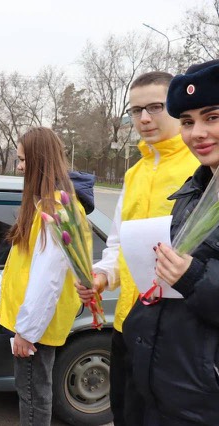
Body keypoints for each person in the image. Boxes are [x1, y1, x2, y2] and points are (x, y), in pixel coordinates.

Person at [76, 71, 199, 425]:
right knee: (125, 413)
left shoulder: (201, 168)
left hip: (177, 332)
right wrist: (101, 276)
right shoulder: (134, 173)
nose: (144, 119)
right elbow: (118, 243)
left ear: (176, 108)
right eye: (136, 110)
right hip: (128, 325)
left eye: (156, 107)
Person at [122, 59, 219, 425]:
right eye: (189, 121)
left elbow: (192, 281)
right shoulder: (191, 193)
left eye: (212, 117)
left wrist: (193, 277)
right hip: (161, 387)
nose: (197, 133)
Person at [0, 127, 89, 426]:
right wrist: (2, 294)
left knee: (34, 396)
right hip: (30, 319)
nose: (19, 166)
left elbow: (48, 278)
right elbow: (21, 259)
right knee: (31, 392)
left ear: (40, 160)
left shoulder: (57, 209)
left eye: (23, 160)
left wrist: (27, 331)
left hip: (36, 325)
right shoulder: (42, 204)